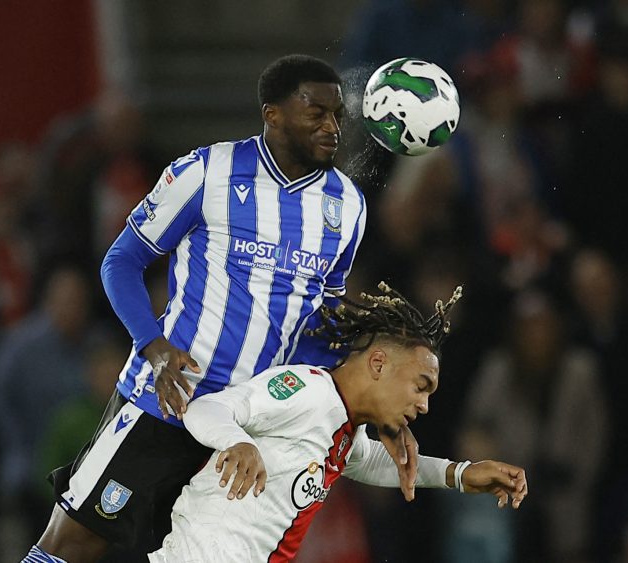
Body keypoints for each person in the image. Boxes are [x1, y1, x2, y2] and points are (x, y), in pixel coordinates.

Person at [25, 54, 419, 563]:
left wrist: (372, 407)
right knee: (70, 544)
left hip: (248, 428)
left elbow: (320, 321)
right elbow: (121, 261)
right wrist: (153, 347)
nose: (331, 127)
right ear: (272, 114)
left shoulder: (347, 207)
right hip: (167, 404)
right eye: (315, 113)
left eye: (337, 116)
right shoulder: (206, 173)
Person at [148, 283, 528, 562]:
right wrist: (236, 441)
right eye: (420, 386)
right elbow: (206, 409)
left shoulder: (343, 428)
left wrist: (461, 475)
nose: (424, 405)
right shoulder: (306, 391)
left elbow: (375, 462)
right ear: (378, 364)